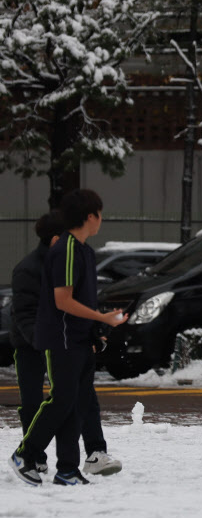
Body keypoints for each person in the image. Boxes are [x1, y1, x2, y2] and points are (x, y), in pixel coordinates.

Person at [9, 190, 127, 486]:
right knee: (61, 400)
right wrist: (101, 318)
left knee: (77, 401)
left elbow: (84, 297)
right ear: (91, 216)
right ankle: (26, 453)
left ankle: (67, 469)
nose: (101, 220)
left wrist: (95, 331)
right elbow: (62, 300)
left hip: (79, 339)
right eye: (100, 214)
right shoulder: (67, 249)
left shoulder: (85, 250)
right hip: (60, 338)